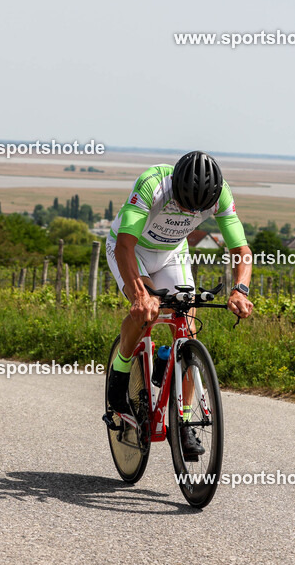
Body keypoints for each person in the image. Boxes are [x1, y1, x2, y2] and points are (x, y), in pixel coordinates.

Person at [105, 150, 254, 459]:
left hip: (172, 253)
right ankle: (118, 378)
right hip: (132, 251)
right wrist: (141, 295)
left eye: (197, 210)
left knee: (186, 326)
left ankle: (183, 419)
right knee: (145, 312)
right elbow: (124, 245)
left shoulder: (221, 195)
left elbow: (241, 249)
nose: (190, 213)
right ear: (176, 187)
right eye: (185, 205)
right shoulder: (152, 184)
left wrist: (240, 290)